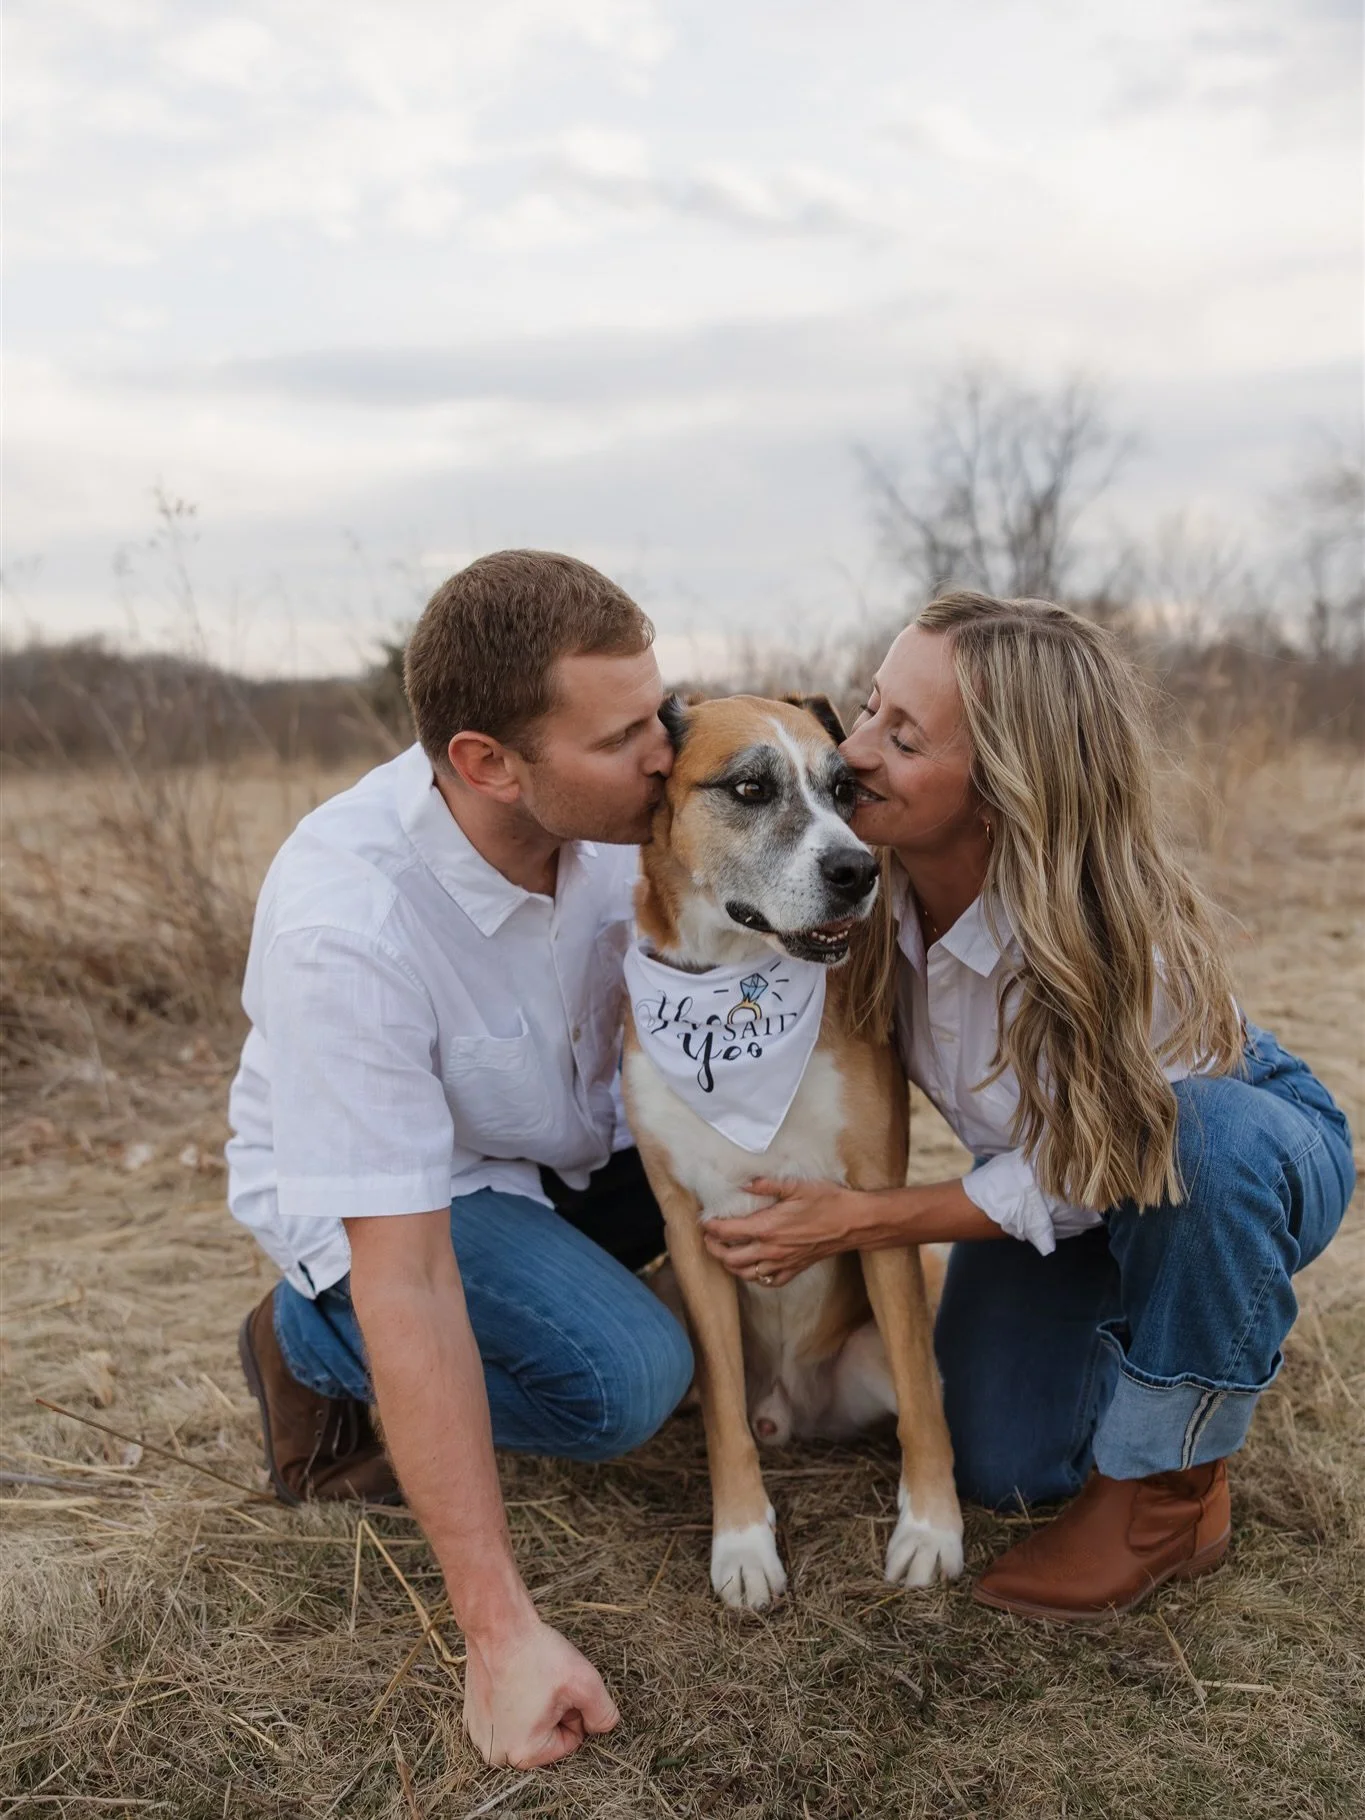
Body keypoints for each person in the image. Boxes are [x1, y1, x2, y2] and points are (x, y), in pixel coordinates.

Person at [702, 591, 1355, 1622]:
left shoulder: (1112, 934)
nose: (856, 748)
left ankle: (1175, 1491)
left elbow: (1112, 1156)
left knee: (1204, 1144)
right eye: (870, 707)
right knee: (1001, 1460)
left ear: (1000, 787)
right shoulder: (864, 893)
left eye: (903, 737)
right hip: (1060, 1187)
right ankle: (1172, 1337)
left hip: (1225, 1146)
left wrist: (869, 1217)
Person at [226, 551, 693, 1766]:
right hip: (420, 1194)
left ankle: (558, 1295)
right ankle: (304, 1336)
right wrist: (499, 1634)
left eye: (666, 711)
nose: (668, 754)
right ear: (488, 763)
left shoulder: (626, 805)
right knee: (630, 1380)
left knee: (754, 1163)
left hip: (578, 1137)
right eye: (626, 735)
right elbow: (411, 1266)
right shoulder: (348, 919)